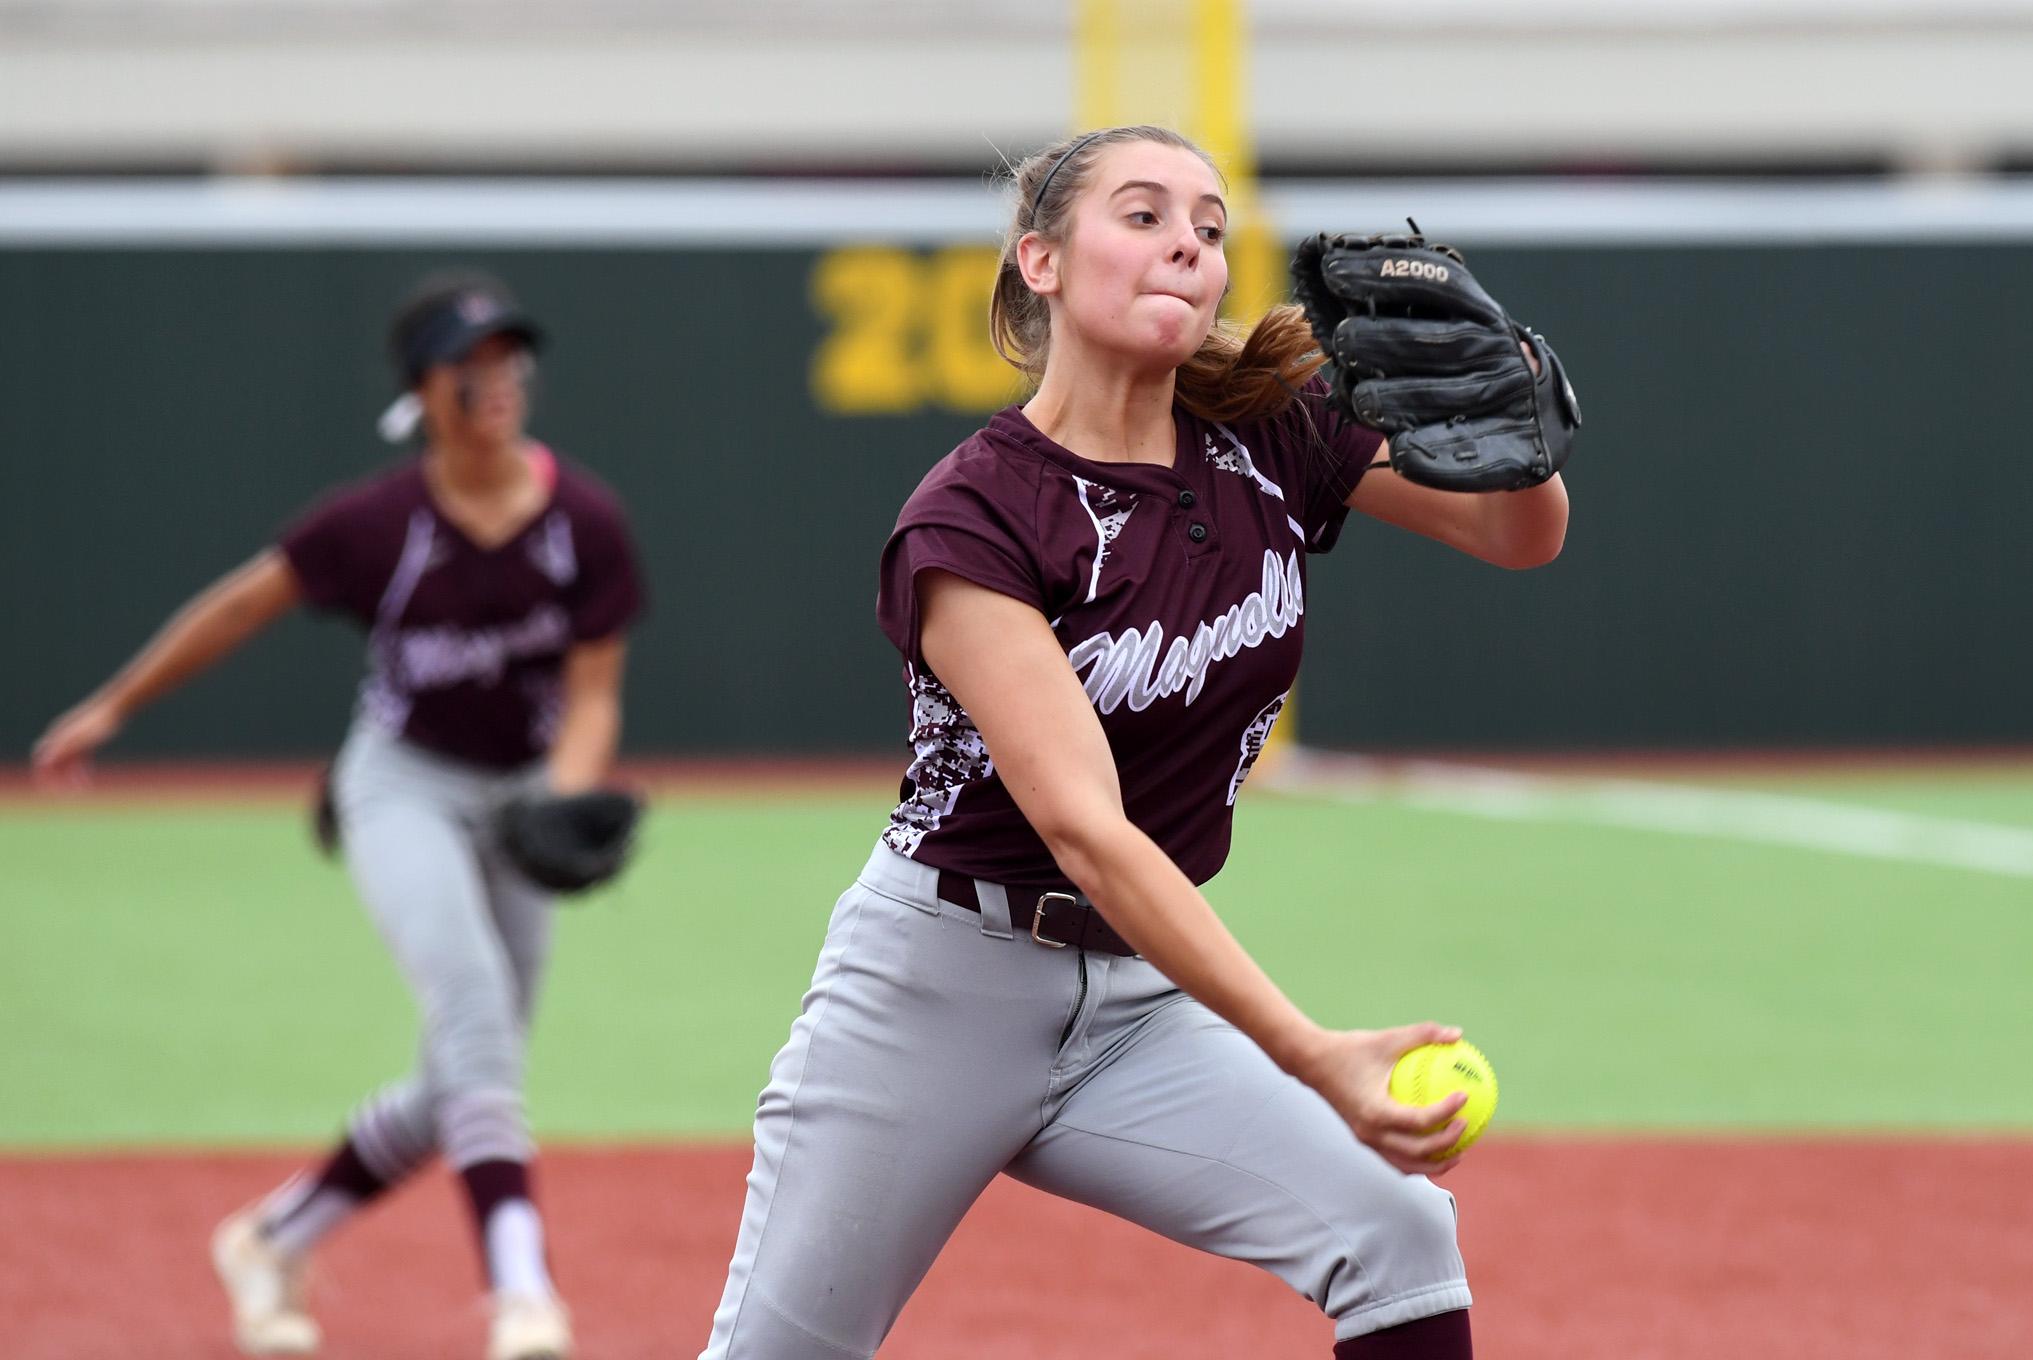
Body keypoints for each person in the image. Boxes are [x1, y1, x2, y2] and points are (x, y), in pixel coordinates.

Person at [696, 125, 1568, 1360]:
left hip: (1138, 1003)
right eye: (1146, 215)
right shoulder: (975, 516)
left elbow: (1517, 536)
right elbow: (1086, 831)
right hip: (938, 990)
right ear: (1040, 261)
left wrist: (1516, 422)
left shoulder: (1272, 433)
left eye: (1210, 229)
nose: (1188, 247)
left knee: (1398, 1232)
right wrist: (1311, 1051)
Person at [31, 273, 646, 1360]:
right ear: (423, 388)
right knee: (477, 1029)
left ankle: (271, 1238)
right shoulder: (380, 525)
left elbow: (593, 691)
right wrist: (113, 706)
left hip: (516, 799)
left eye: (510, 361)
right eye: (472, 364)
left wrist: (562, 789)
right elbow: (240, 605)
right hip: (400, 787)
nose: (496, 382)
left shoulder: (583, 521)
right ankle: (522, 1293)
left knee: (466, 1065)